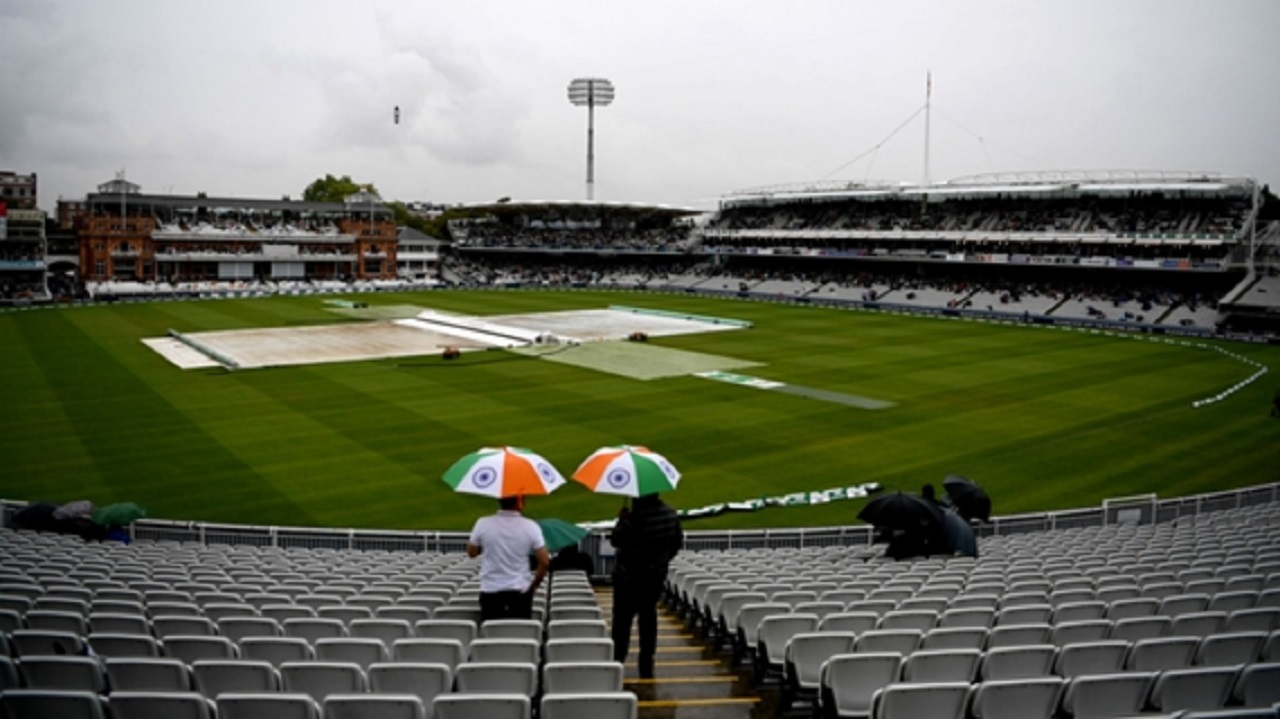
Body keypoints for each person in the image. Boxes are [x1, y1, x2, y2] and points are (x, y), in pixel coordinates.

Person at [610, 493, 683, 679]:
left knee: (622, 623)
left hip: (628, 578)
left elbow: (616, 540)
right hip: (654, 578)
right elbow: (676, 544)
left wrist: (622, 520)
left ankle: (618, 661)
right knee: (648, 618)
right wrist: (660, 563)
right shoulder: (670, 515)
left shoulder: (634, 518)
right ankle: (646, 662)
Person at [467, 495, 549, 623]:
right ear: (519, 502)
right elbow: (544, 561)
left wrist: (489, 544)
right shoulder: (531, 526)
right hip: (520, 589)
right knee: (519, 635)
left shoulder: (482, 523)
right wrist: (535, 585)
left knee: (492, 635)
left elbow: (472, 553)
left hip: (491, 589)